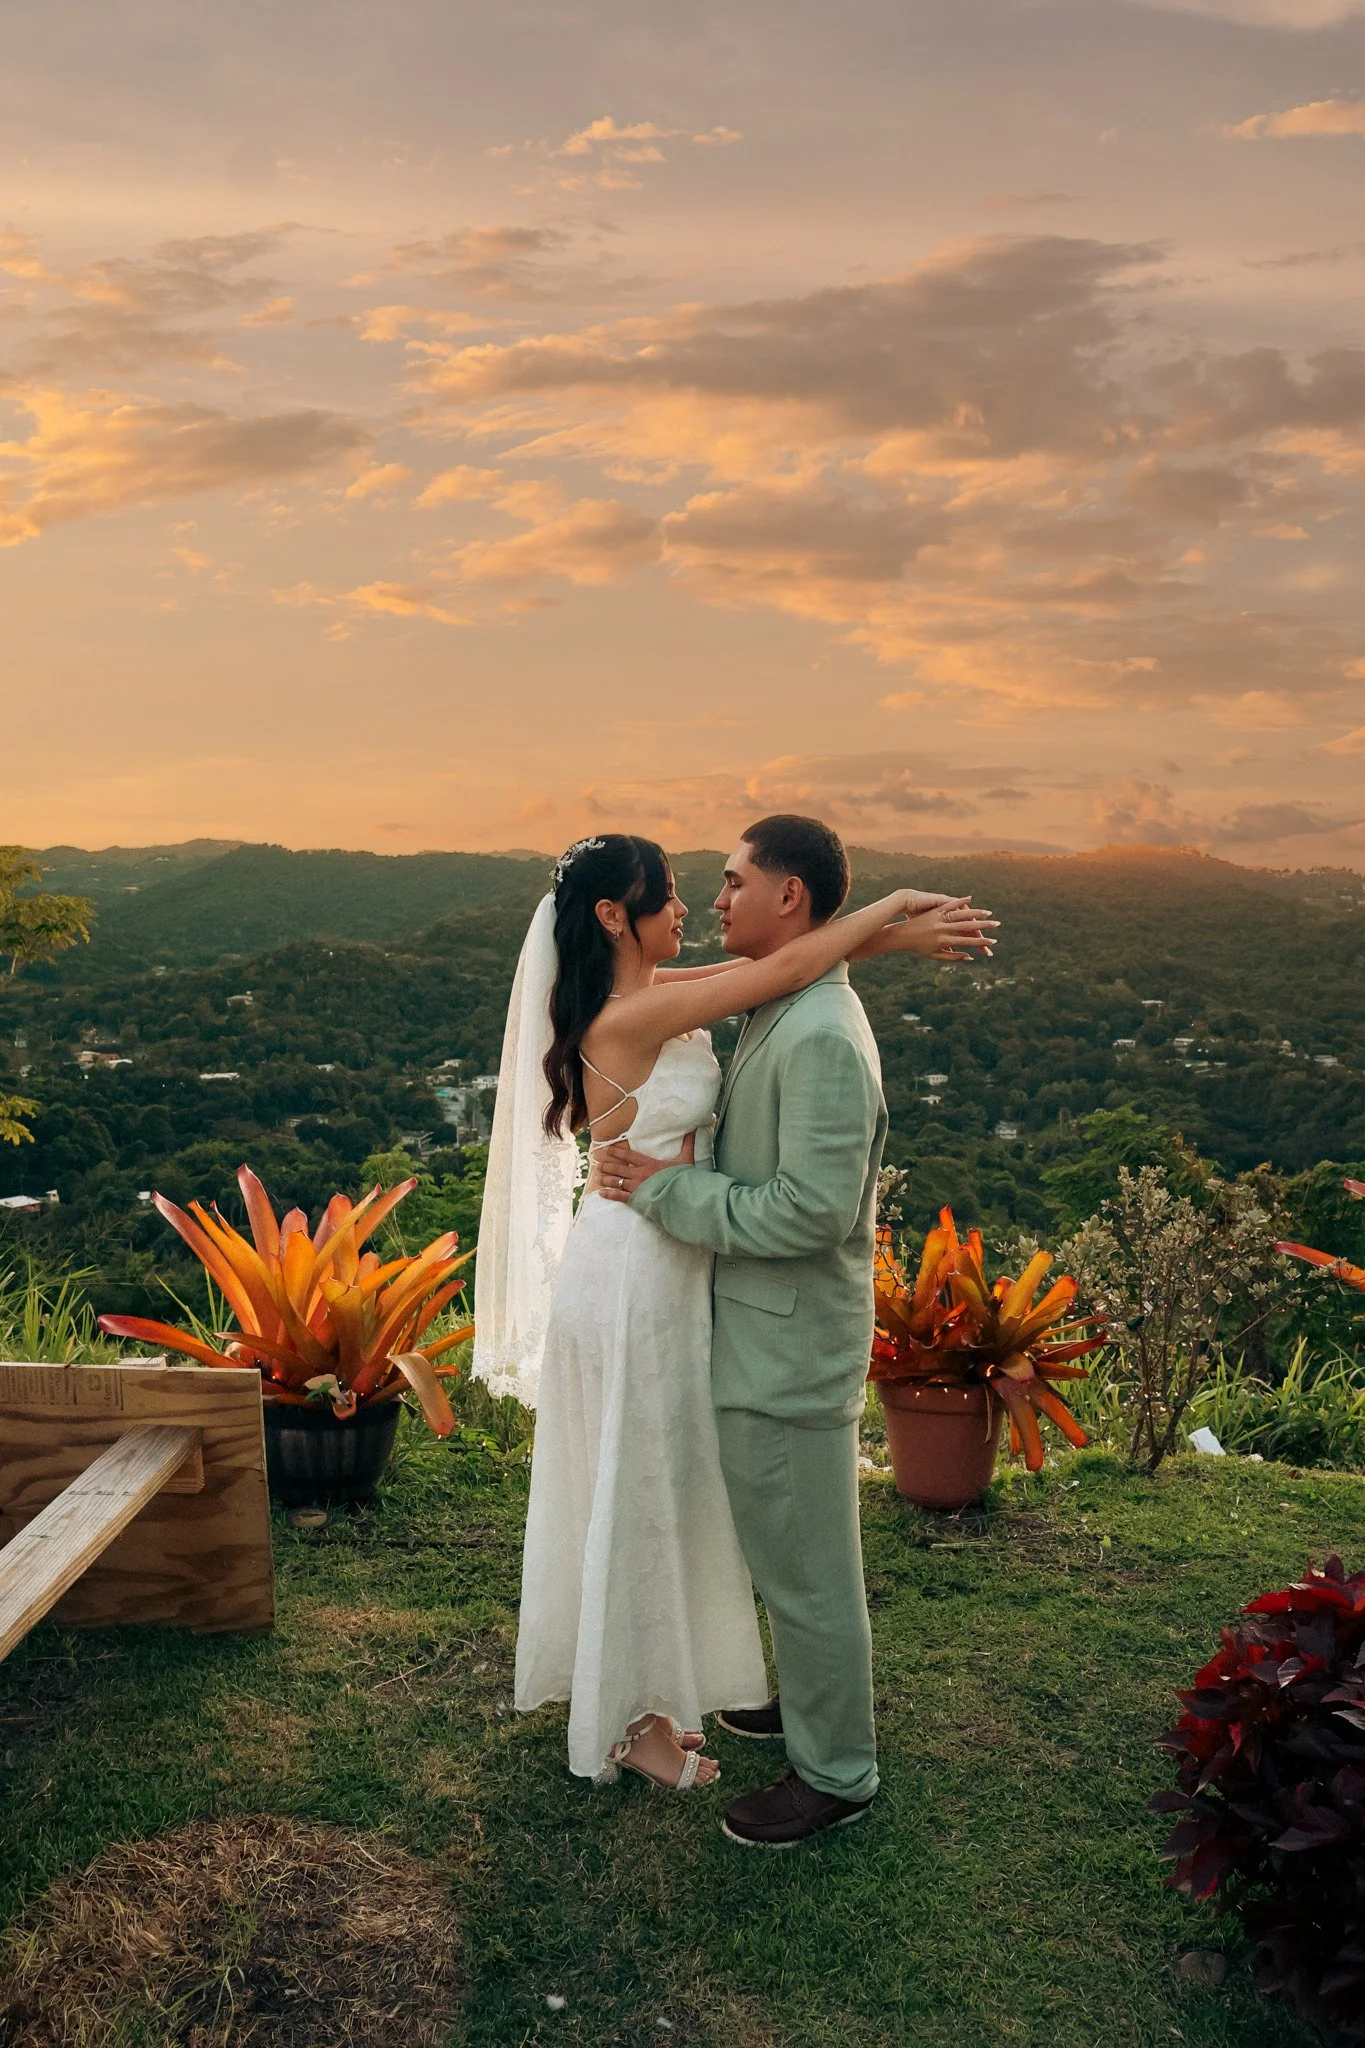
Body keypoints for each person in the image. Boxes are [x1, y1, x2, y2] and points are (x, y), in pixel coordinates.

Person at [473, 830, 995, 1798]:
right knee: (633, 1492)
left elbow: (790, 961)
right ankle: (634, 1717)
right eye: (671, 894)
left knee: (653, 1487)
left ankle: (664, 1696)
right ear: (610, 916)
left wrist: (885, 939)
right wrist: (889, 906)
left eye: (716, 884)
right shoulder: (639, 1013)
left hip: (661, 1264)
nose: (692, 907)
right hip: (637, 1268)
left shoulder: (655, 993)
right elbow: (793, 958)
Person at [597, 815, 945, 1845]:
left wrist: (670, 1190)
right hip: (757, 1334)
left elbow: (809, 1211)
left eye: (733, 879)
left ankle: (835, 1769)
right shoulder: (782, 1002)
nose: (715, 897)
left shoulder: (826, 1036)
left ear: (788, 897)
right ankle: (804, 1702)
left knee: (810, 1569)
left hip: (788, 1346)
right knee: (785, 1554)